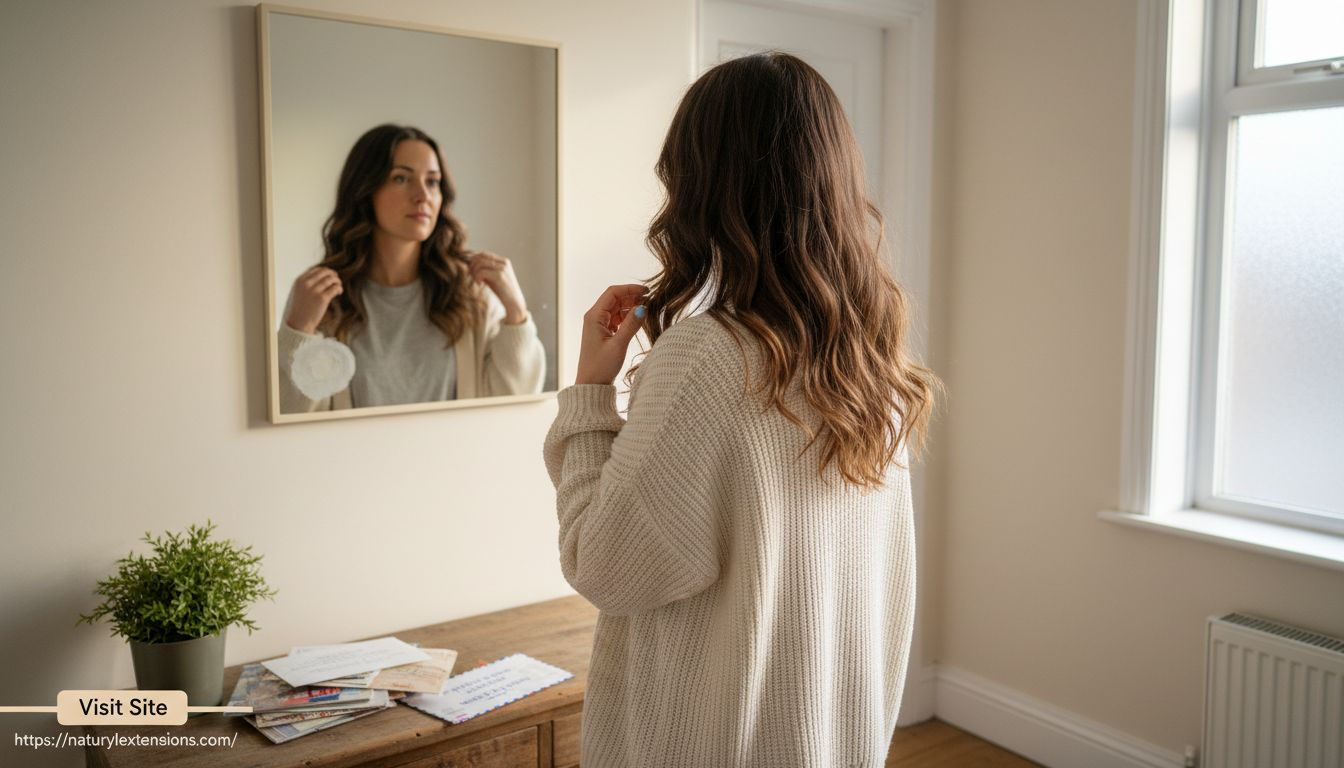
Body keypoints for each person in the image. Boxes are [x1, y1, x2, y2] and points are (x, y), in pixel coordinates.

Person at [543, 52, 940, 767]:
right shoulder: (874, 359)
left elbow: (603, 565)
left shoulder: (706, 357)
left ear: (703, 187)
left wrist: (587, 397)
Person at [278, 124, 545, 412]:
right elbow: (290, 414)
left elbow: (518, 400)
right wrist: (300, 331)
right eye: (401, 178)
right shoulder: (320, 298)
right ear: (365, 191)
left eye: (432, 182)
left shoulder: (471, 294)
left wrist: (516, 314)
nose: (423, 195)